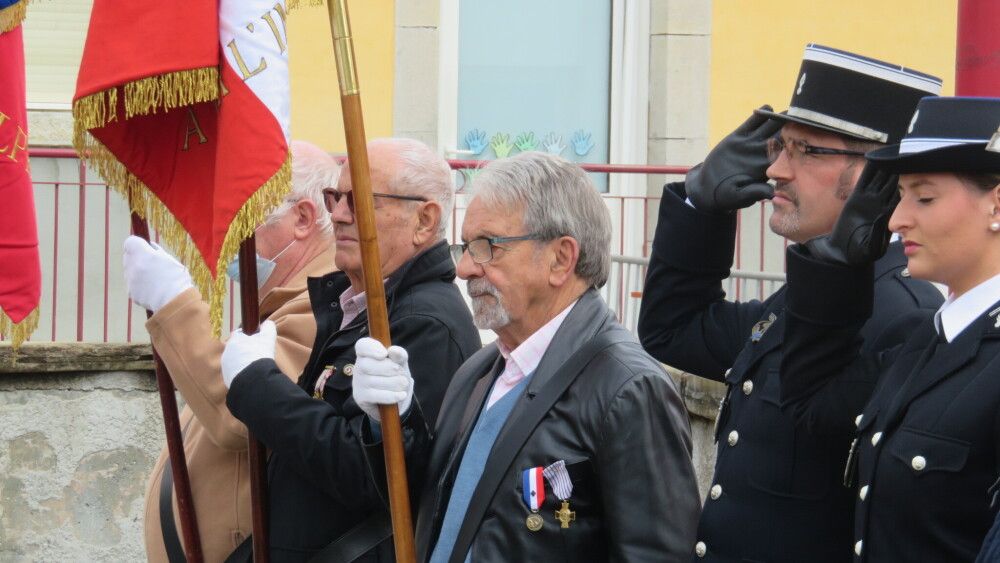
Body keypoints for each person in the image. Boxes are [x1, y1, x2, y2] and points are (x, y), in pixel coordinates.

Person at [637, 44, 945, 562]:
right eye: (779, 146)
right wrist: (699, 207)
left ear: (876, 174)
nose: (776, 169)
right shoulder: (801, 300)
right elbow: (675, 328)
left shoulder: (903, 312)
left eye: (805, 150)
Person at [354, 151, 701, 562]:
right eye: (465, 247)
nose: (464, 268)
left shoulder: (627, 389)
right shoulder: (478, 372)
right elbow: (433, 509)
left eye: (487, 247)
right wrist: (391, 421)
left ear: (560, 258)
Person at [220, 138, 482, 562]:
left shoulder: (425, 324)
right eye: (334, 197)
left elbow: (368, 475)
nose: (338, 215)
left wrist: (257, 384)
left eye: (358, 200)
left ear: (424, 220)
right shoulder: (356, 305)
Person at [781, 96, 1000, 562]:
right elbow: (814, 402)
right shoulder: (930, 341)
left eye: (924, 196)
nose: (897, 221)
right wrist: (836, 267)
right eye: (899, 196)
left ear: (997, 204)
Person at [126, 140, 340, 563]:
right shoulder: (278, 303)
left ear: (302, 218)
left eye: (243, 208)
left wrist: (174, 304)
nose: (226, 227)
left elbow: (239, 413)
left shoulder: (321, 305)